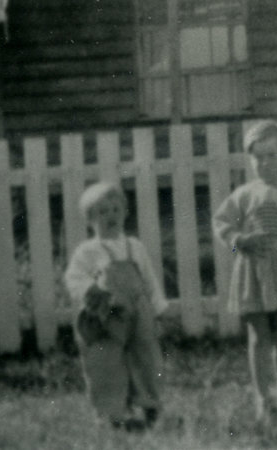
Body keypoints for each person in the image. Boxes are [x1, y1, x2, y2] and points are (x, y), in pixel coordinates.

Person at [212, 120, 277, 419]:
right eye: (258, 157)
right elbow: (221, 224)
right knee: (259, 336)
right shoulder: (246, 193)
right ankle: (263, 396)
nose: (265, 163)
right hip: (253, 274)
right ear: (250, 160)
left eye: (272, 155)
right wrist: (238, 241)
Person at [64, 181, 167, 431]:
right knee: (106, 361)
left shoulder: (135, 247)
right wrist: (91, 289)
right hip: (107, 315)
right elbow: (73, 278)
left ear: (124, 212)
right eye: (102, 212)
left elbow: (149, 278)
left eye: (115, 210)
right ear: (90, 219)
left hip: (139, 313)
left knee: (146, 357)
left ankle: (149, 405)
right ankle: (112, 413)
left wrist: (158, 308)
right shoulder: (88, 251)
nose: (111, 217)